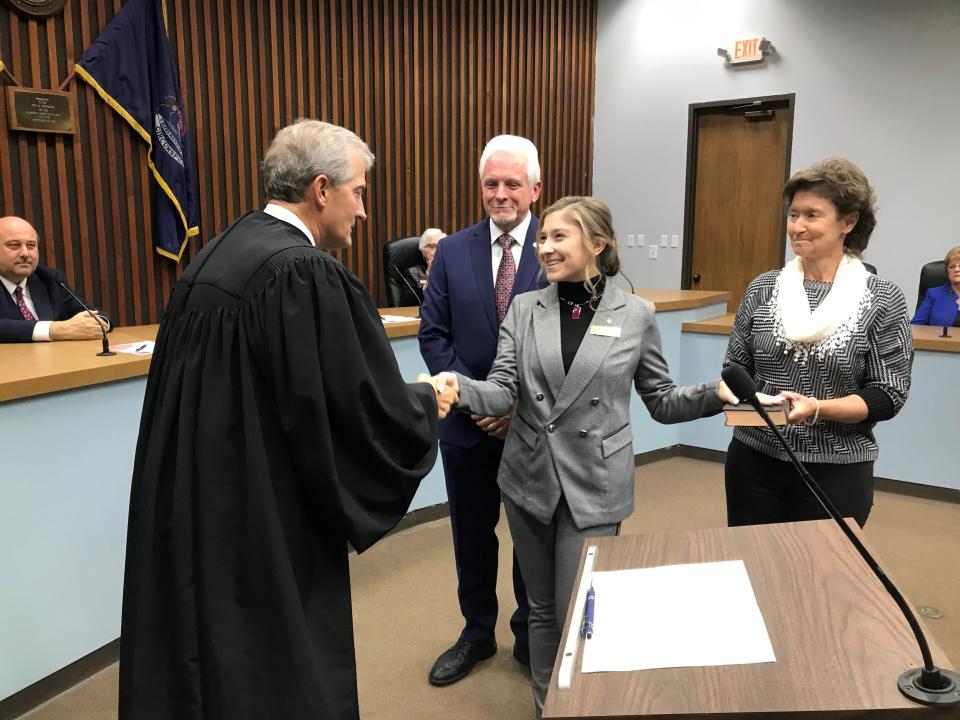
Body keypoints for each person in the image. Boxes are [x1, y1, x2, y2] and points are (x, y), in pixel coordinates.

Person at [119, 119, 456, 720]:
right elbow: (351, 409)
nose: (364, 211)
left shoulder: (216, 256)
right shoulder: (301, 274)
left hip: (197, 507)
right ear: (321, 190)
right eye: (359, 192)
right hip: (263, 516)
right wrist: (425, 401)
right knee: (270, 667)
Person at [435, 196, 736, 717]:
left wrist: (717, 392)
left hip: (594, 481)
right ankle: (547, 707)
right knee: (544, 610)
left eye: (558, 238)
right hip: (529, 478)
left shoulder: (636, 314)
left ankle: (582, 705)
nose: (544, 248)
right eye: (543, 238)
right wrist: (455, 387)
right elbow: (504, 391)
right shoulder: (526, 308)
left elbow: (661, 401)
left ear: (597, 244)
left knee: (582, 612)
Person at [723, 157, 913, 529]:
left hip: (836, 469)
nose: (797, 227)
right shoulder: (763, 288)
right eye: (793, 215)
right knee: (755, 571)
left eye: (812, 215)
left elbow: (888, 394)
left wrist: (816, 407)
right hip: (754, 462)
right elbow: (735, 368)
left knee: (821, 580)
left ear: (849, 222)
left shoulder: (883, 298)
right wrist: (732, 393)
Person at [418, 134, 544, 686]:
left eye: (512, 183)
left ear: (535, 189)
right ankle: (476, 632)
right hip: (467, 430)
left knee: (531, 536)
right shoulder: (451, 251)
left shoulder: (561, 246)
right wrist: (476, 402)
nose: (500, 194)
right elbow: (433, 335)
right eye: (491, 183)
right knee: (472, 533)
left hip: (535, 428)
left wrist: (516, 405)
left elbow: (576, 341)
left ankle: (528, 630)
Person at [0, 215, 110, 343]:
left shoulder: (49, 278)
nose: (25, 253)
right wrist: (55, 330)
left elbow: (94, 313)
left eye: (31, 246)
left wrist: (98, 324)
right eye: (14, 245)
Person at [911, 245, 960, 327]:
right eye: (952, 266)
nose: (956, 269)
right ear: (947, 272)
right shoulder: (934, 294)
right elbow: (915, 326)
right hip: (940, 340)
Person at [408, 227, 446, 293]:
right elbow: (424, 294)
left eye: (442, 246)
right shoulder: (416, 272)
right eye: (433, 246)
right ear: (423, 251)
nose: (439, 250)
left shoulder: (452, 268)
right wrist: (430, 274)